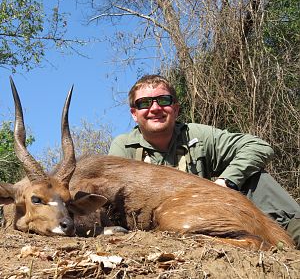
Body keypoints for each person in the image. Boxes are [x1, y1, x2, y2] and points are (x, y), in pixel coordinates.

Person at [109, 74, 300, 248]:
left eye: (164, 100)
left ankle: (294, 233)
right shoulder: (123, 146)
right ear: (134, 114)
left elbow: (258, 147)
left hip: (207, 212)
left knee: (256, 178)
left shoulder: (197, 135)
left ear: (175, 109)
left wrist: (226, 182)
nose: (155, 108)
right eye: (144, 103)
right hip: (163, 224)